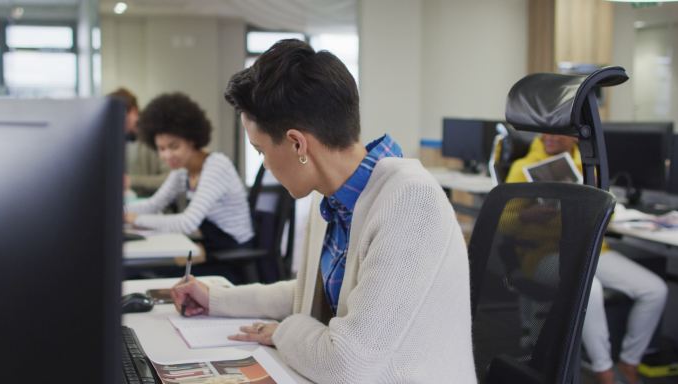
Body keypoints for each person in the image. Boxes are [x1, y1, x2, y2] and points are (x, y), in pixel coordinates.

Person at [171, 39, 476, 383]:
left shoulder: (409, 203)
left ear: (297, 143)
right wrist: (216, 300)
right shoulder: (331, 199)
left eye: (260, 151)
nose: (266, 165)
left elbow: (346, 366)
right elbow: (305, 296)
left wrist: (281, 332)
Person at [506, 134, 667, 384]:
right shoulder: (523, 167)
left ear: (574, 136)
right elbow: (503, 223)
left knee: (654, 290)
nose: (548, 137)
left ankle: (629, 363)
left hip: (592, 250)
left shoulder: (589, 168)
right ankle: (605, 371)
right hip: (543, 255)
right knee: (589, 288)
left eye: (557, 132)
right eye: (544, 132)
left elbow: (608, 218)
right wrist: (526, 217)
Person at [124, 92, 254, 255]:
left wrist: (134, 219)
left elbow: (187, 223)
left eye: (174, 146)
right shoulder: (182, 170)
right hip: (209, 245)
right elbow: (154, 204)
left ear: (191, 140)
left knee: (153, 269)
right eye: (161, 148)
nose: (167, 155)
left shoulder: (217, 165)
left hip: (232, 253)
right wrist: (119, 211)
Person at [109, 87, 169, 197]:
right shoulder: (119, 140)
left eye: (123, 117)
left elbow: (169, 178)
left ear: (134, 111)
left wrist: (131, 180)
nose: (119, 123)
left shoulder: (157, 138)